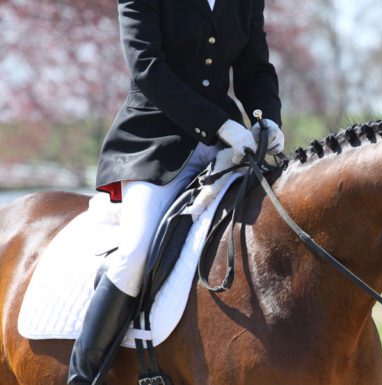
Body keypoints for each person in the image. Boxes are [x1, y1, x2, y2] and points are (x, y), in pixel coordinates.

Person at [68, 0, 283, 383]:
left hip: (230, 146)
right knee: (135, 251)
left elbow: (255, 68)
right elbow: (148, 70)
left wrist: (266, 121)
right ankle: (82, 376)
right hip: (155, 141)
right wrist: (219, 124)